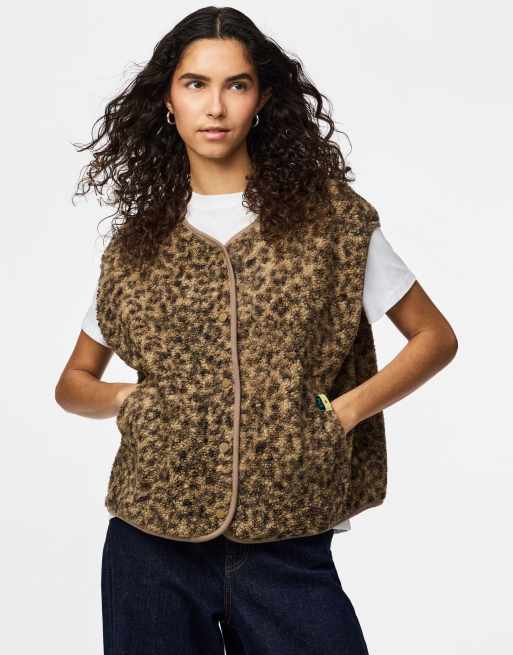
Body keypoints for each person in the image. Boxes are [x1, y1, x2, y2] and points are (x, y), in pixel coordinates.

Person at [55, 6, 458, 654]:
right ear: (167, 99)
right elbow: (74, 382)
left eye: (235, 84)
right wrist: (132, 399)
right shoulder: (137, 244)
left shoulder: (333, 222)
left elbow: (433, 337)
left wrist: (341, 413)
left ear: (262, 98)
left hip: (287, 535)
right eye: (195, 84)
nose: (215, 106)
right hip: (149, 543)